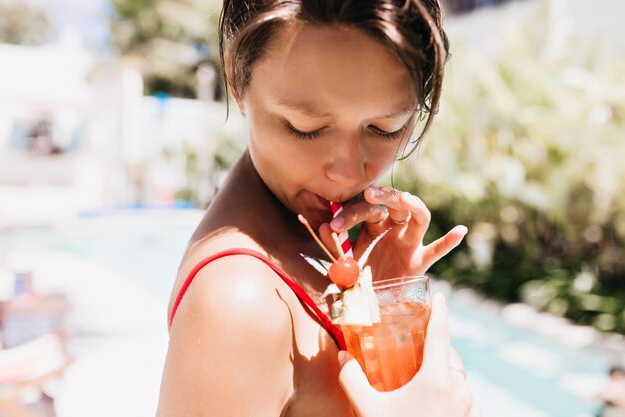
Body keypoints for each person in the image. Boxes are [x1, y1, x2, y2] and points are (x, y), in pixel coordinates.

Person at [157, 0, 479, 416]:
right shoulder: (237, 302)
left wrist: (377, 301)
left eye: (386, 128)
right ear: (236, 79)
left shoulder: (309, 257)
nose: (348, 172)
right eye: (305, 128)